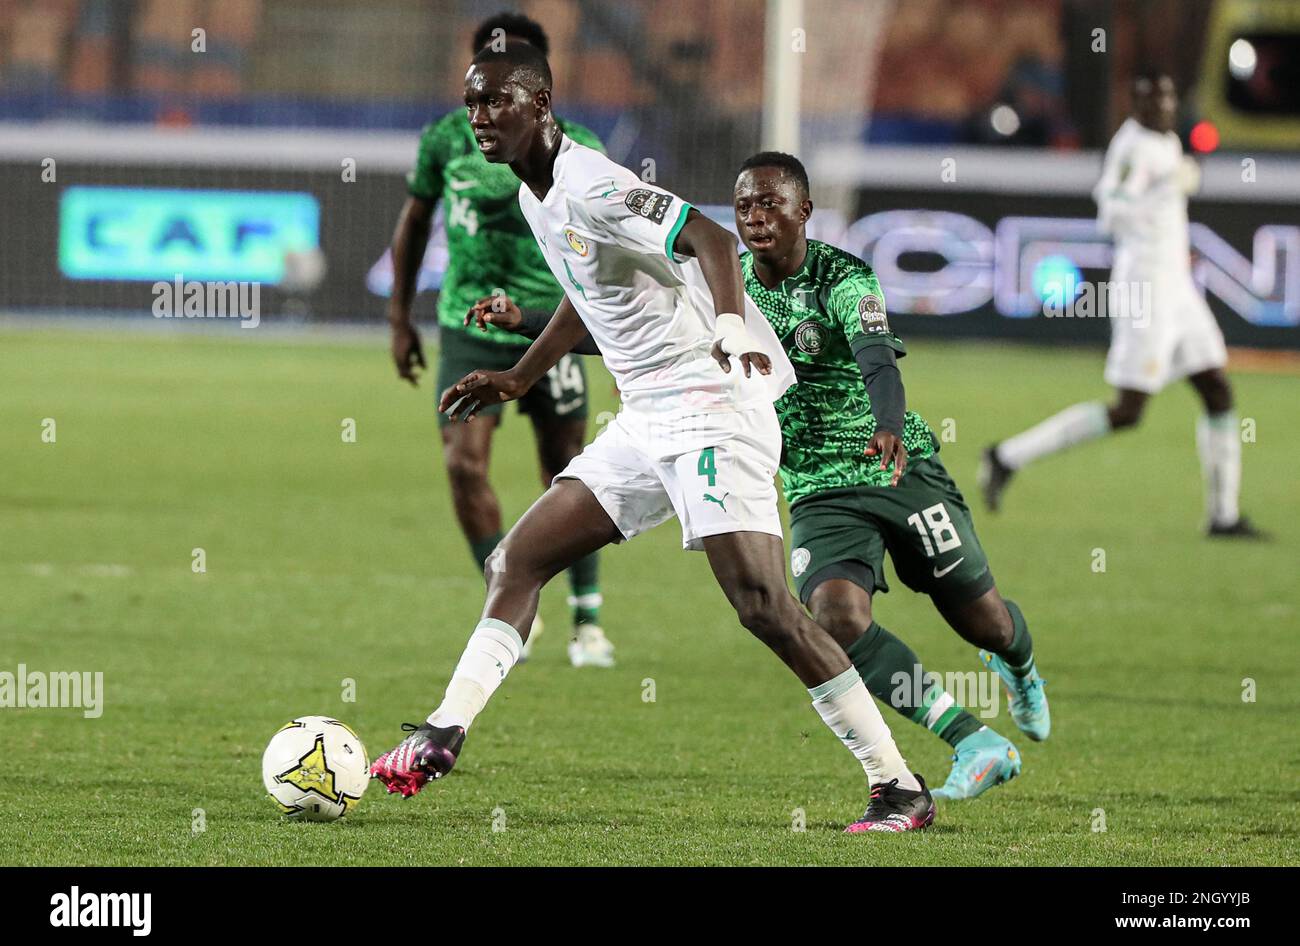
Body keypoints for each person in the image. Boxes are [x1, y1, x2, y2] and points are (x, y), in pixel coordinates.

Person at [370, 41, 935, 833]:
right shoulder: (536, 193)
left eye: (496, 101)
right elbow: (587, 293)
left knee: (766, 607)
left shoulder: (595, 184)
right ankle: (443, 732)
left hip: (714, 405)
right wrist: (521, 376)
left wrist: (735, 326)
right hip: (645, 419)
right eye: (471, 103)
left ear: (539, 105)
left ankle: (898, 785)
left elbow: (710, 238)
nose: (479, 117)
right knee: (517, 560)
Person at [385, 12, 615, 667]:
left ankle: (587, 619)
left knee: (570, 468)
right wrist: (400, 318)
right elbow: (414, 222)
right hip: (467, 321)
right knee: (462, 463)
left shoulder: (583, 149)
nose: (483, 105)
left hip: (547, 320)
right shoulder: (446, 140)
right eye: (477, 87)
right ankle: (506, 595)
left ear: (539, 83)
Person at [980, 73, 1262, 539]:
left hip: (1177, 286)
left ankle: (1223, 516)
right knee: (1129, 411)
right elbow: (1111, 211)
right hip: (1146, 289)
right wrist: (1164, 187)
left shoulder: (1166, 139)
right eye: (1154, 99)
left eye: (1170, 96)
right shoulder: (1132, 148)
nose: (1165, 106)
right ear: (1135, 104)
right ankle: (1007, 456)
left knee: (1217, 387)